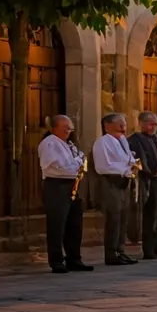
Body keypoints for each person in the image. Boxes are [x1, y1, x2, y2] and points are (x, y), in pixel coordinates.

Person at [39, 115, 92, 273]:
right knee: (57, 224)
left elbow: (82, 162)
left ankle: (74, 258)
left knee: (74, 223)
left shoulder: (70, 145)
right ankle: (56, 260)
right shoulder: (49, 143)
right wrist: (76, 165)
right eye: (64, 128)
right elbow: (57, 167)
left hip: (73, 185)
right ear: (54, 128)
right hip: (57, 185)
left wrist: (76, 165)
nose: (68, 131)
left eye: (70, 128)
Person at [92, 113, 138, 266]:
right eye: (120, 124)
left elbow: (128, 159)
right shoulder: (102, 143)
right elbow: (102, 166)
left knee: (124, 216)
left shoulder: (123, 140)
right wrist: (124, 169)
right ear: (107, 126)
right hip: (111, 182)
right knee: (114, 217)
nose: (123, 127)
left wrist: (132, 164)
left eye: (124, 124)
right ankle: (111, 253)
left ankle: (121, 250)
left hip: (124, 182)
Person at [129, 112, 157, 258]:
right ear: (141, 124)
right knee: (150, 215)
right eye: (149, 123)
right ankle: (148, 249)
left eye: (155, 124)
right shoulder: (135, 140)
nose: (153, 127)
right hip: (146, 181)